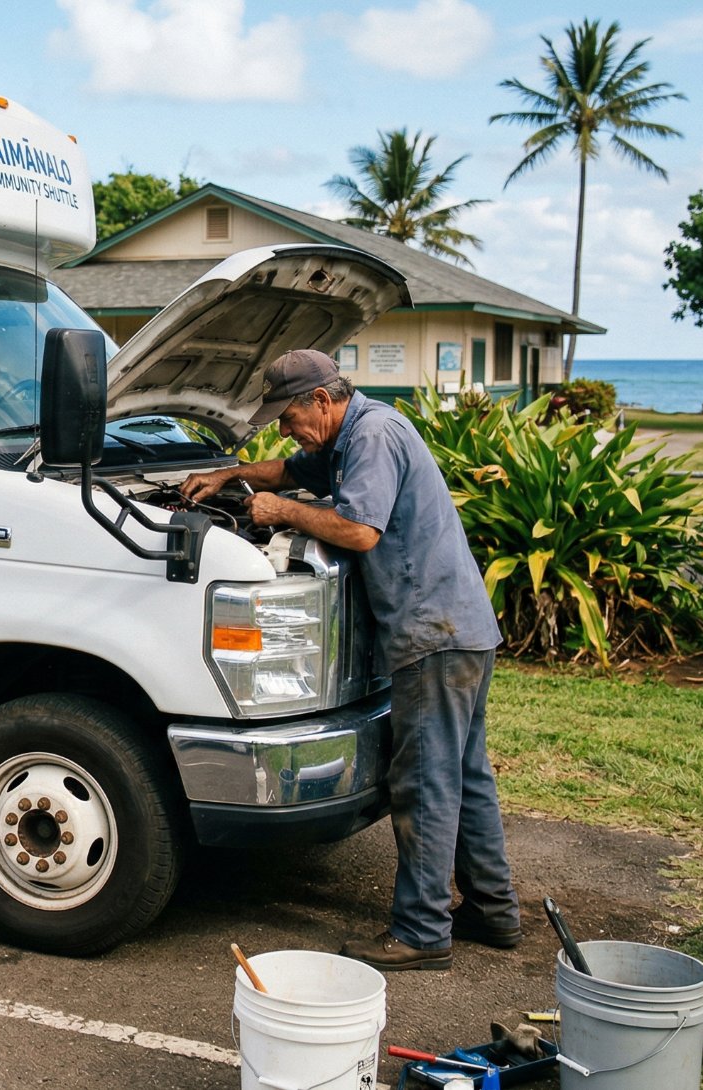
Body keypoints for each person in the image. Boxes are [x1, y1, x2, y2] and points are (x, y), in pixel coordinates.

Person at [180, 349, 518, 972]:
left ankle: (421, 931)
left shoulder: (375, 436)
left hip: (432, 634)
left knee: (423, 781)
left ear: (322, 400)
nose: (286, 428)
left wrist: (281, 514)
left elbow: (361, 530)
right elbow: (288, 467)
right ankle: (494, 910)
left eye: (289, 415)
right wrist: (230, 476)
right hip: (459, 628)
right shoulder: (352, 433)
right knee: (466, 774)